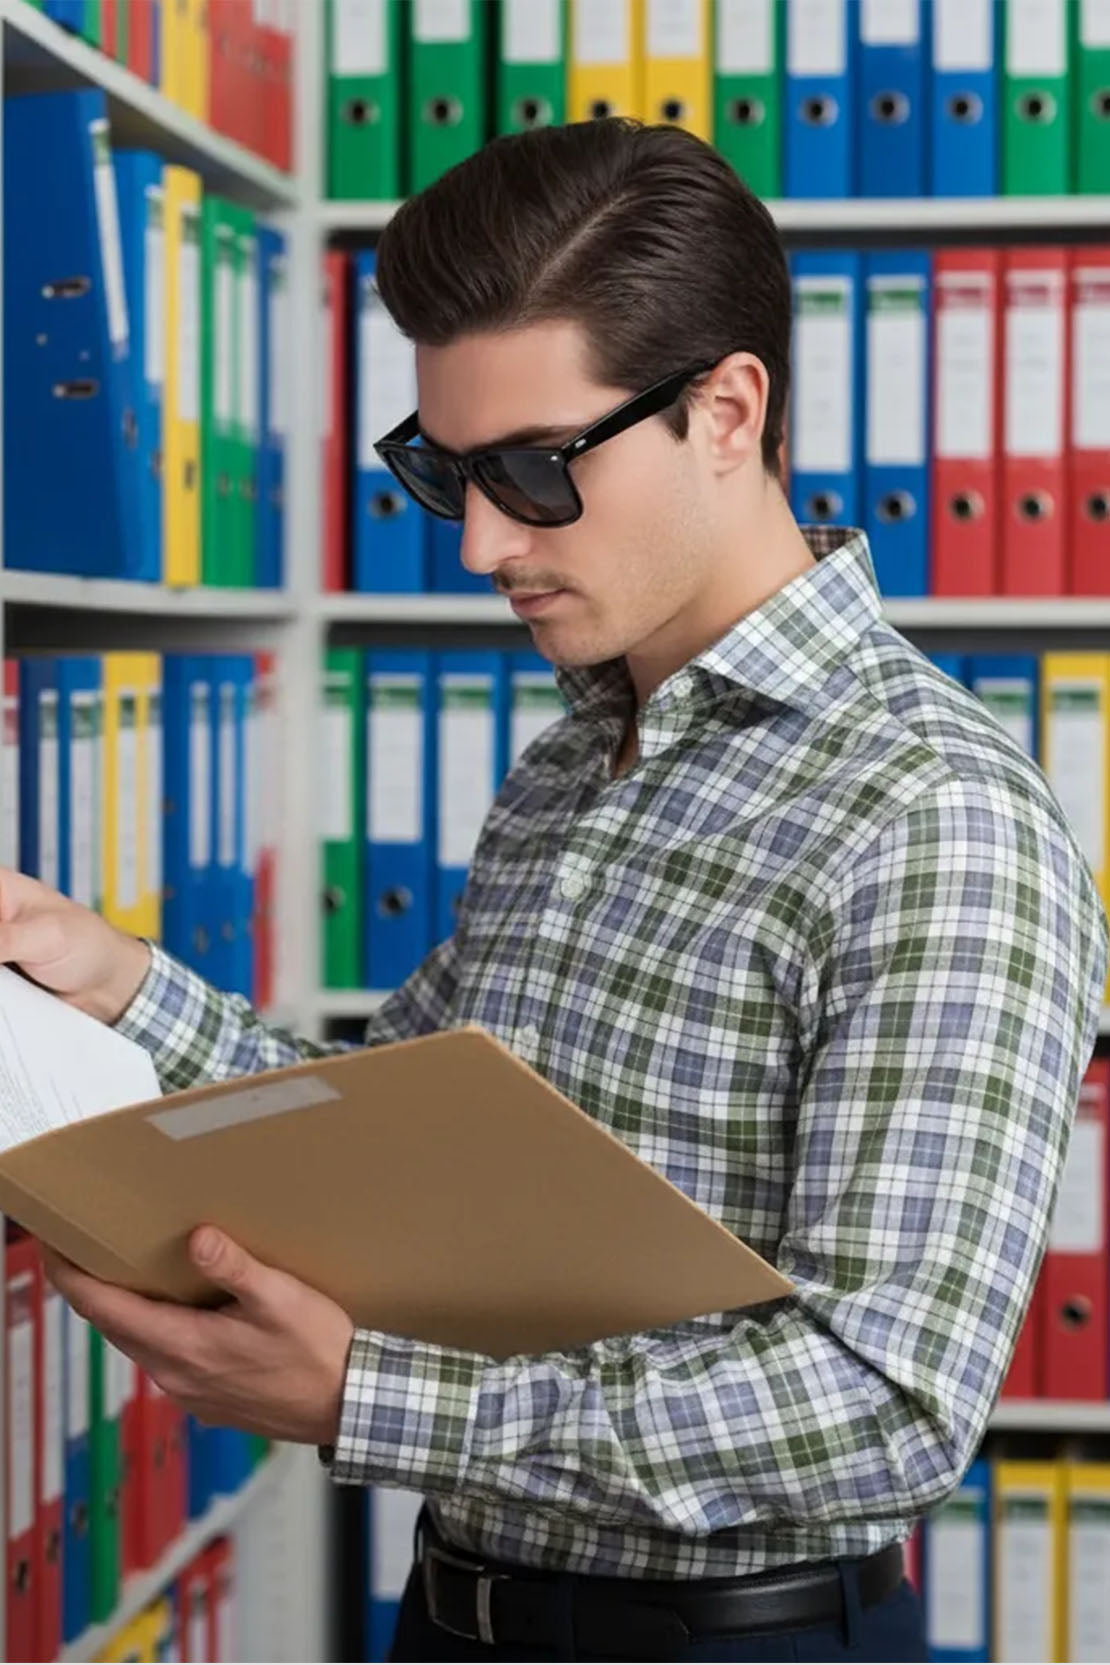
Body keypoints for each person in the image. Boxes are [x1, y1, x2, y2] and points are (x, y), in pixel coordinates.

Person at [3, 120, 1107, 1664]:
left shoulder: (934, 816)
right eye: (443, 471)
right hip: (455, 1611)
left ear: (726, 408)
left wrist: (362, 1394)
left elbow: (888, 1402)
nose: (480, 540)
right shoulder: (575, 750)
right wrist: (114, 981)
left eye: (532, 470)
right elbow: (379, 1131)